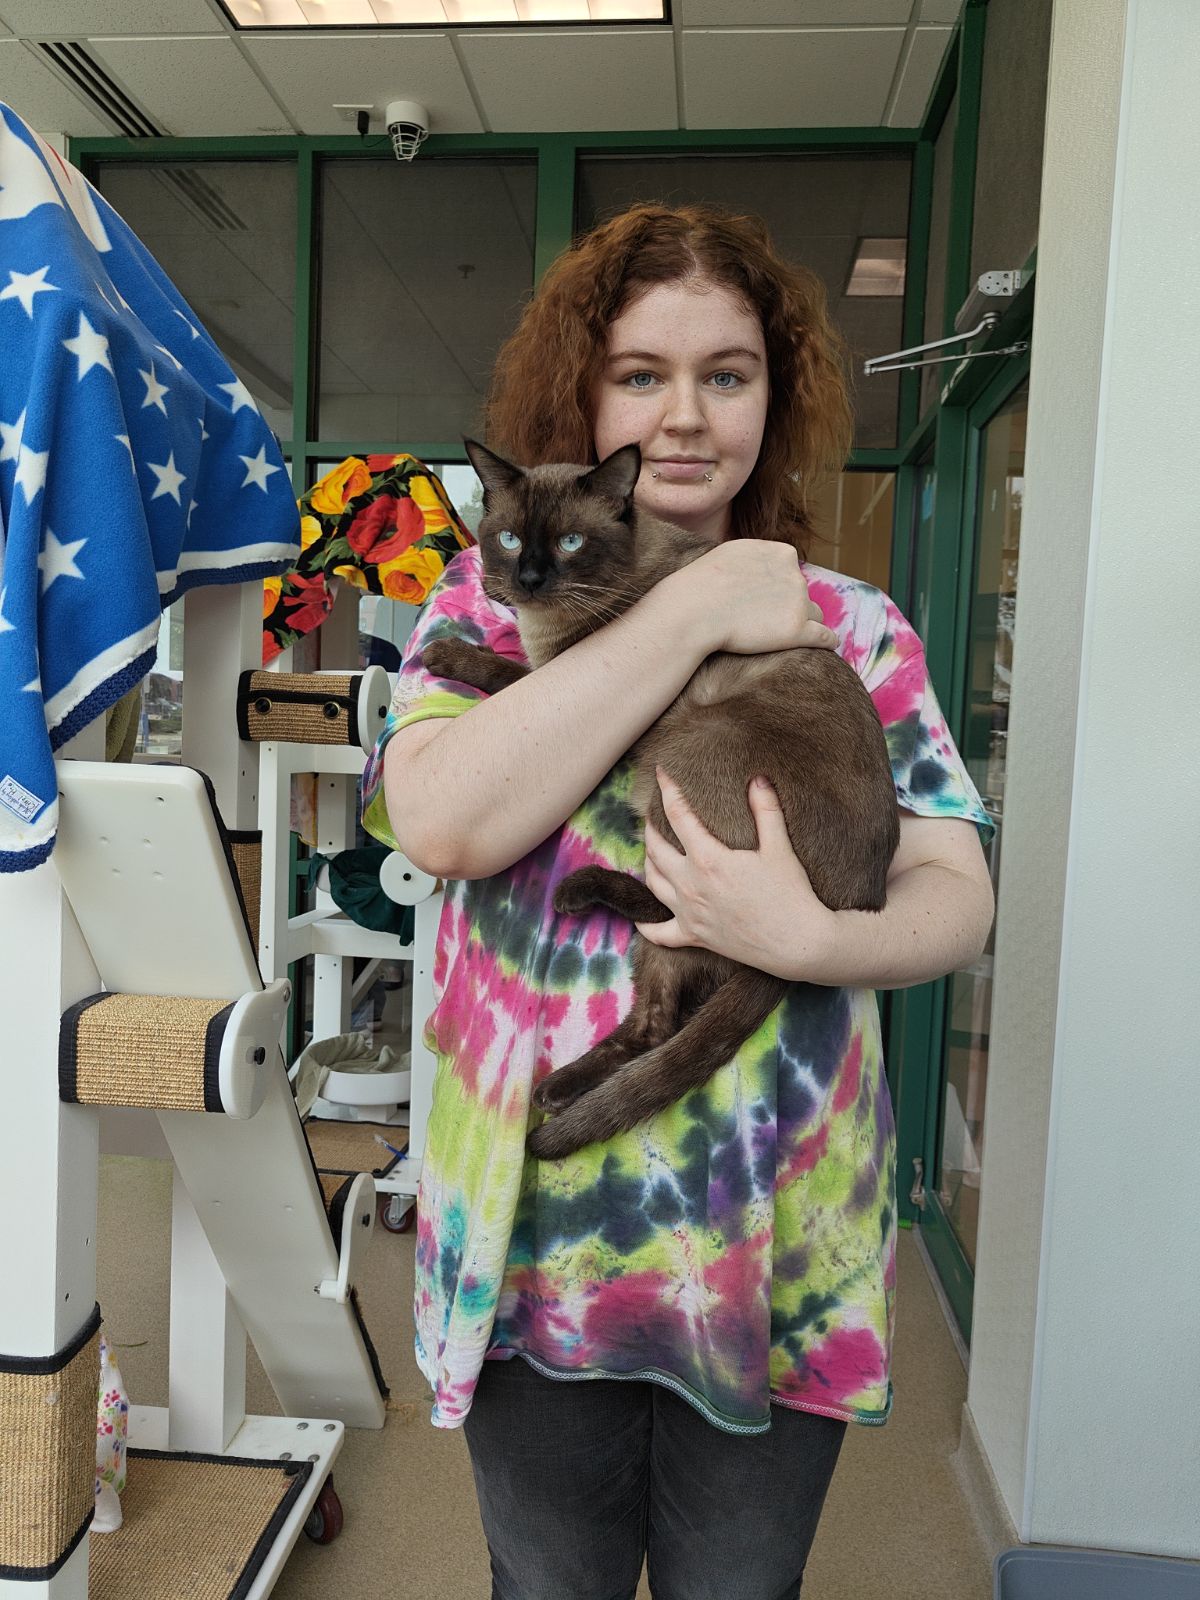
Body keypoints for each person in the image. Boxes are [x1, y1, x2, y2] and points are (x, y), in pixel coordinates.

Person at [361, 203, 995, 1600]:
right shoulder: (483, 599)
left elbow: (958, 896)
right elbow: (447, 821)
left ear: (778, 396)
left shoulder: (854, 624)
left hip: (771, 1223)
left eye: (730, 373)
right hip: (536, 1224)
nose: (688, 415)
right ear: (585, 397)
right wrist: (697, 609)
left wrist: (815, 939)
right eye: (642, 374)